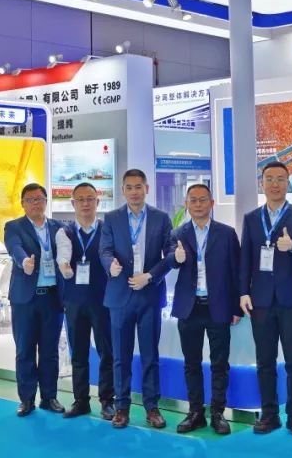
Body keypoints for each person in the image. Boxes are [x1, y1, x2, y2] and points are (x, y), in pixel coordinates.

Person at [238, 160, 292, 436]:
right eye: (269, 179)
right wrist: (243, 291)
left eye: (280, 179)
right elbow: (245, 258)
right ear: (262, 183)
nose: (274, 184)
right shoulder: (251, 218)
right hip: (260, 301)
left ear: (287, 182)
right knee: (265, 361)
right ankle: (269, 414)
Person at [100, 168, 174, 429]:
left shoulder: (161, 218)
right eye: (129, 187)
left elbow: (171, 253)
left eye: (138, 187)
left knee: (150, 355)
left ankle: (152, 407)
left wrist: (151, 276)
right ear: (123, 190)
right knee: (120, 356)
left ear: (147, 189)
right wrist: (110, 265)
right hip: (120, 296)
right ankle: (121, 407)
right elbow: (104, 250)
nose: (134, 192)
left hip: (149, 296)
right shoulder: (111, 218)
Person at [167, 183, 241, 435]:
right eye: (193, 200)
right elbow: (171, 261)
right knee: (192, 363)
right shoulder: (177, 233)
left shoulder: (226, 233)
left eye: (202, 200)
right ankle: (195, 412)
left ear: (212, 203)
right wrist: (175, 258)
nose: (198, 204)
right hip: (189, 309)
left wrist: (236, 308)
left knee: (219, 363)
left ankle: (218, 413)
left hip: (218, 307)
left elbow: (236, 271)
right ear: (186, 204)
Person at [4, 183, 65, 417]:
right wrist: (24, 262)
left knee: (50, 351)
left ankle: (49, 398)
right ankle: (27, 400)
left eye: (39, 199)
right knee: (25, 350)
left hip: (52, 298)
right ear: (23, 204)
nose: (35, 203)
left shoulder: (59, 228)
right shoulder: (14, 227)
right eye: (30, 200)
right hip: (25, 299)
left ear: (46, 201)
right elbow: (15, 247)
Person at [55, 182, 114, 420]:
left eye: (90, 199)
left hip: (103, 302)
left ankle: (107, 401)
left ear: (98, 202)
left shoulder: (107, 230)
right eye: (80, 199)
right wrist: (64, 267)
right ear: (73, 203)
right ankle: (81, 401)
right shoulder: (65, 232)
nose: (85, 203)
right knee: (78, 353)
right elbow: (62, 255)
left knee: (107, 352)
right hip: (74, 302)